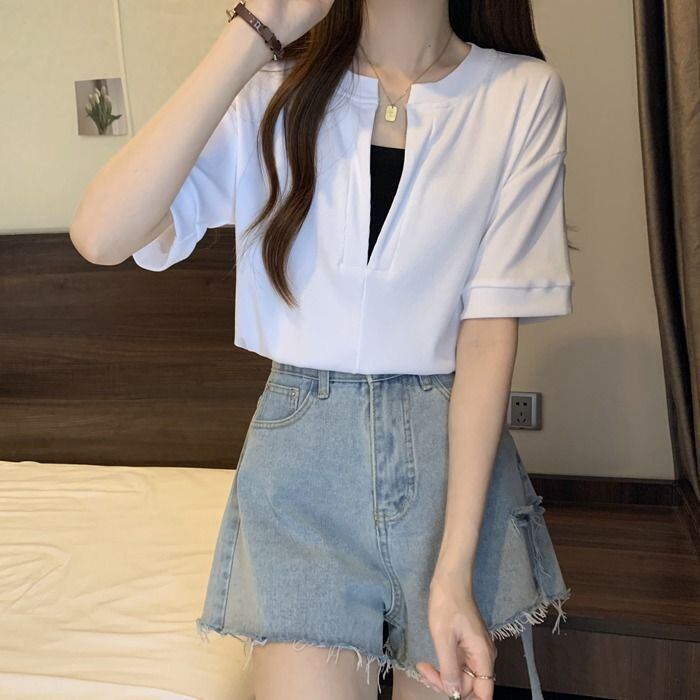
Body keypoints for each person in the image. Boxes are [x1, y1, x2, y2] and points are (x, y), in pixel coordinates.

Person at [70, 1, 574, 698]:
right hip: (300, 469)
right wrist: (257, 28)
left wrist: (454, 568)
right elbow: (100, 234)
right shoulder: (272, 92)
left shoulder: (520, 94)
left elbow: (488, 334)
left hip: (450, 468)